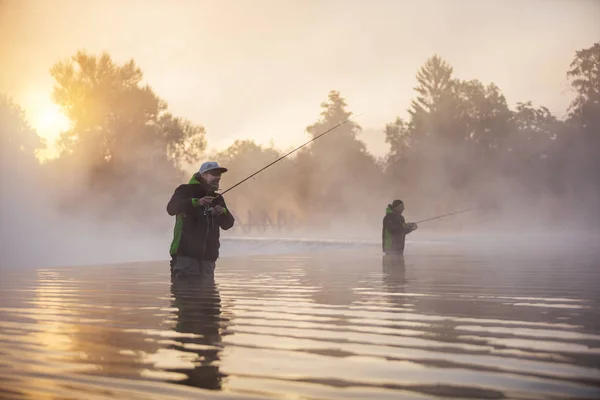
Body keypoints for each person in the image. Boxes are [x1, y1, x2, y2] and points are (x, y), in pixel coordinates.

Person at [167, 161, 235, 281]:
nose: (218, 177)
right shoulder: (184, 190)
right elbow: (171, 209)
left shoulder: (217, 198)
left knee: (209, 298)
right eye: (214, 174)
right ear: (203, 174)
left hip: (208, 260)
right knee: (185, 296)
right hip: (185, 257)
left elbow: (228, 224)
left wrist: (223, 211)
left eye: (219, 175)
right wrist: (196, 202)